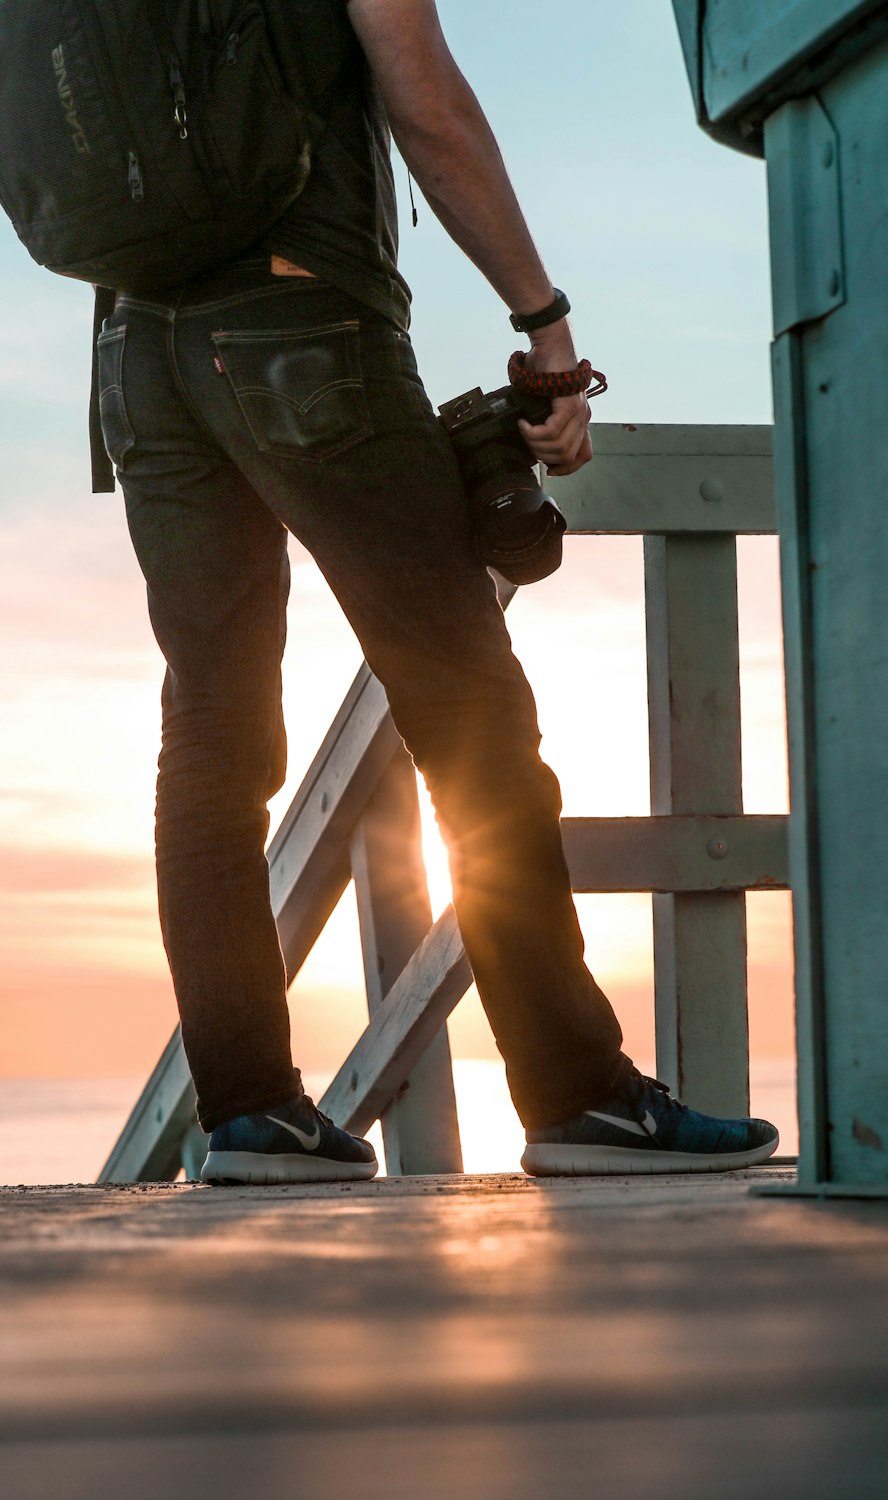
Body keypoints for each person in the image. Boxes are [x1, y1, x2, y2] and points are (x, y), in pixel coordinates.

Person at [97, 0, 778, 1184]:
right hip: (303, 325)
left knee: (206, 735)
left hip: (132, 360)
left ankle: (251, 1113)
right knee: (469, 710)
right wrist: (546, 325)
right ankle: (577, 1098)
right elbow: (425, 96)